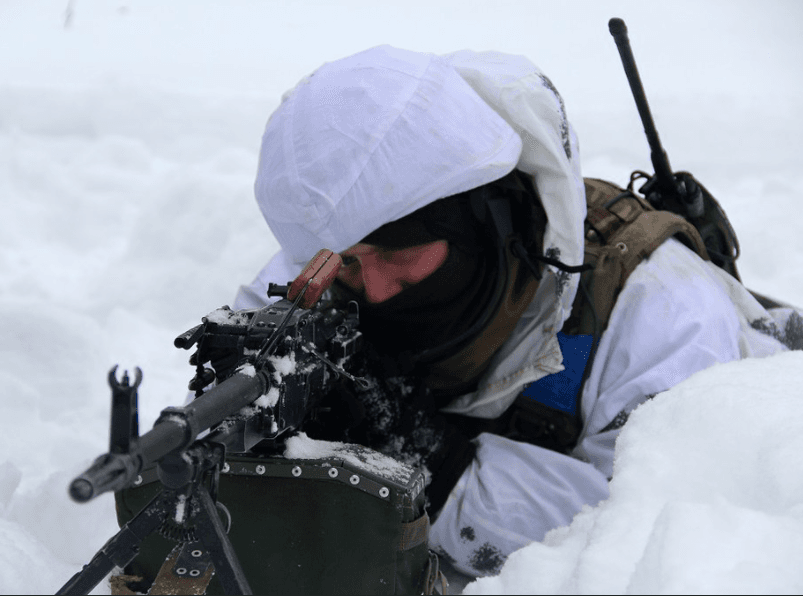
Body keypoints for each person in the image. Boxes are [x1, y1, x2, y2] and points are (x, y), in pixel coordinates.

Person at [233, 45, 802, 579]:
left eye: (399, 252)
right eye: (349, 266)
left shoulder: (667, 317)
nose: (375, 291)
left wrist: (434, 468)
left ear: (482, 221)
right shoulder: (329, 258)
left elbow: (655, 545)